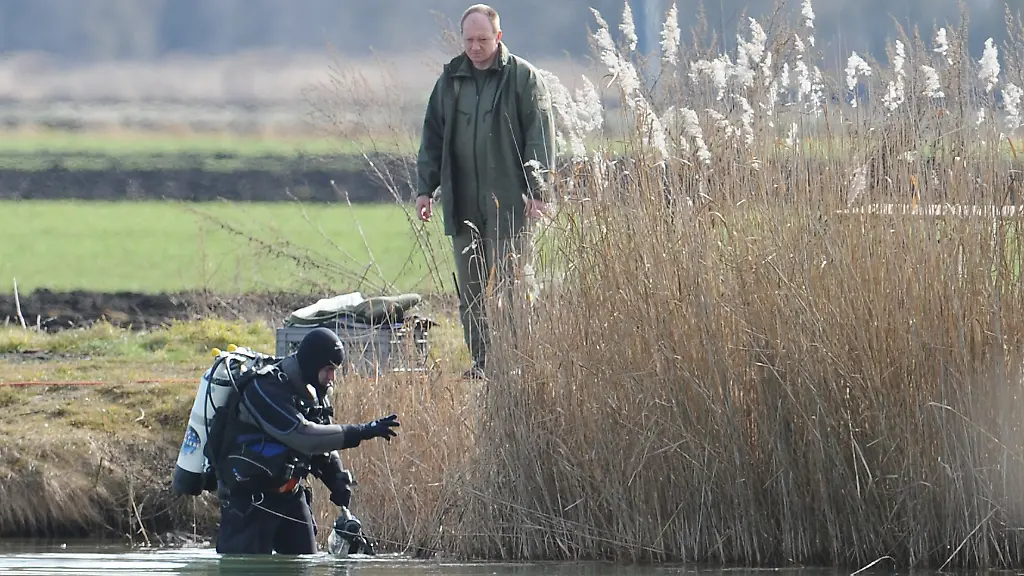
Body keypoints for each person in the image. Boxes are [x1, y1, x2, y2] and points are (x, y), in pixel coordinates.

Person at [415, 3, 557, 380]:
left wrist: (539, 191)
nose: (475, 47)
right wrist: (425, 189)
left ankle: (515, 363)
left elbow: (540, 138)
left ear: (498, 37)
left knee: (512, 287)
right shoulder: (449, 81)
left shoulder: (524, 79)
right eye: (469, 40)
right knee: (472, 290)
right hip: (462, 201)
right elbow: (432, 137)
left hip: (511, 203)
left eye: (482, 39)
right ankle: (483, 363)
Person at [206, 327, 400, 555]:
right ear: (312, 364)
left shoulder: (312, 393)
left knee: (305, 564)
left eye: (335, 370)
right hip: (250, 503)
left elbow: (323, 439)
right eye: (329, 369)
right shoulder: (265, 389)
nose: (332, 377)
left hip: (289, 496)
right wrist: (363, 431)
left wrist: (336, 478)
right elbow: (304, 436)